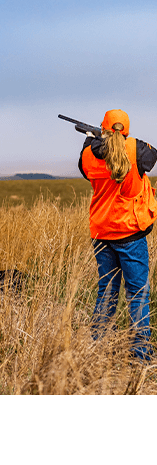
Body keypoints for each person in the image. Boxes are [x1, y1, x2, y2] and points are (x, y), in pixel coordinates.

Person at [78, 109, 157, 363]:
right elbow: (151, 154)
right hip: (130, 234)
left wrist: (90, 139)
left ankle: (96, 349)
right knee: (137, 293)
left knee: (107, 290)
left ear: (102, 129)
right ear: (126, 131)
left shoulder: (88, 154)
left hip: (101, 233)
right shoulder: (135, 149)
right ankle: (141, 355)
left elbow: (84, 164)